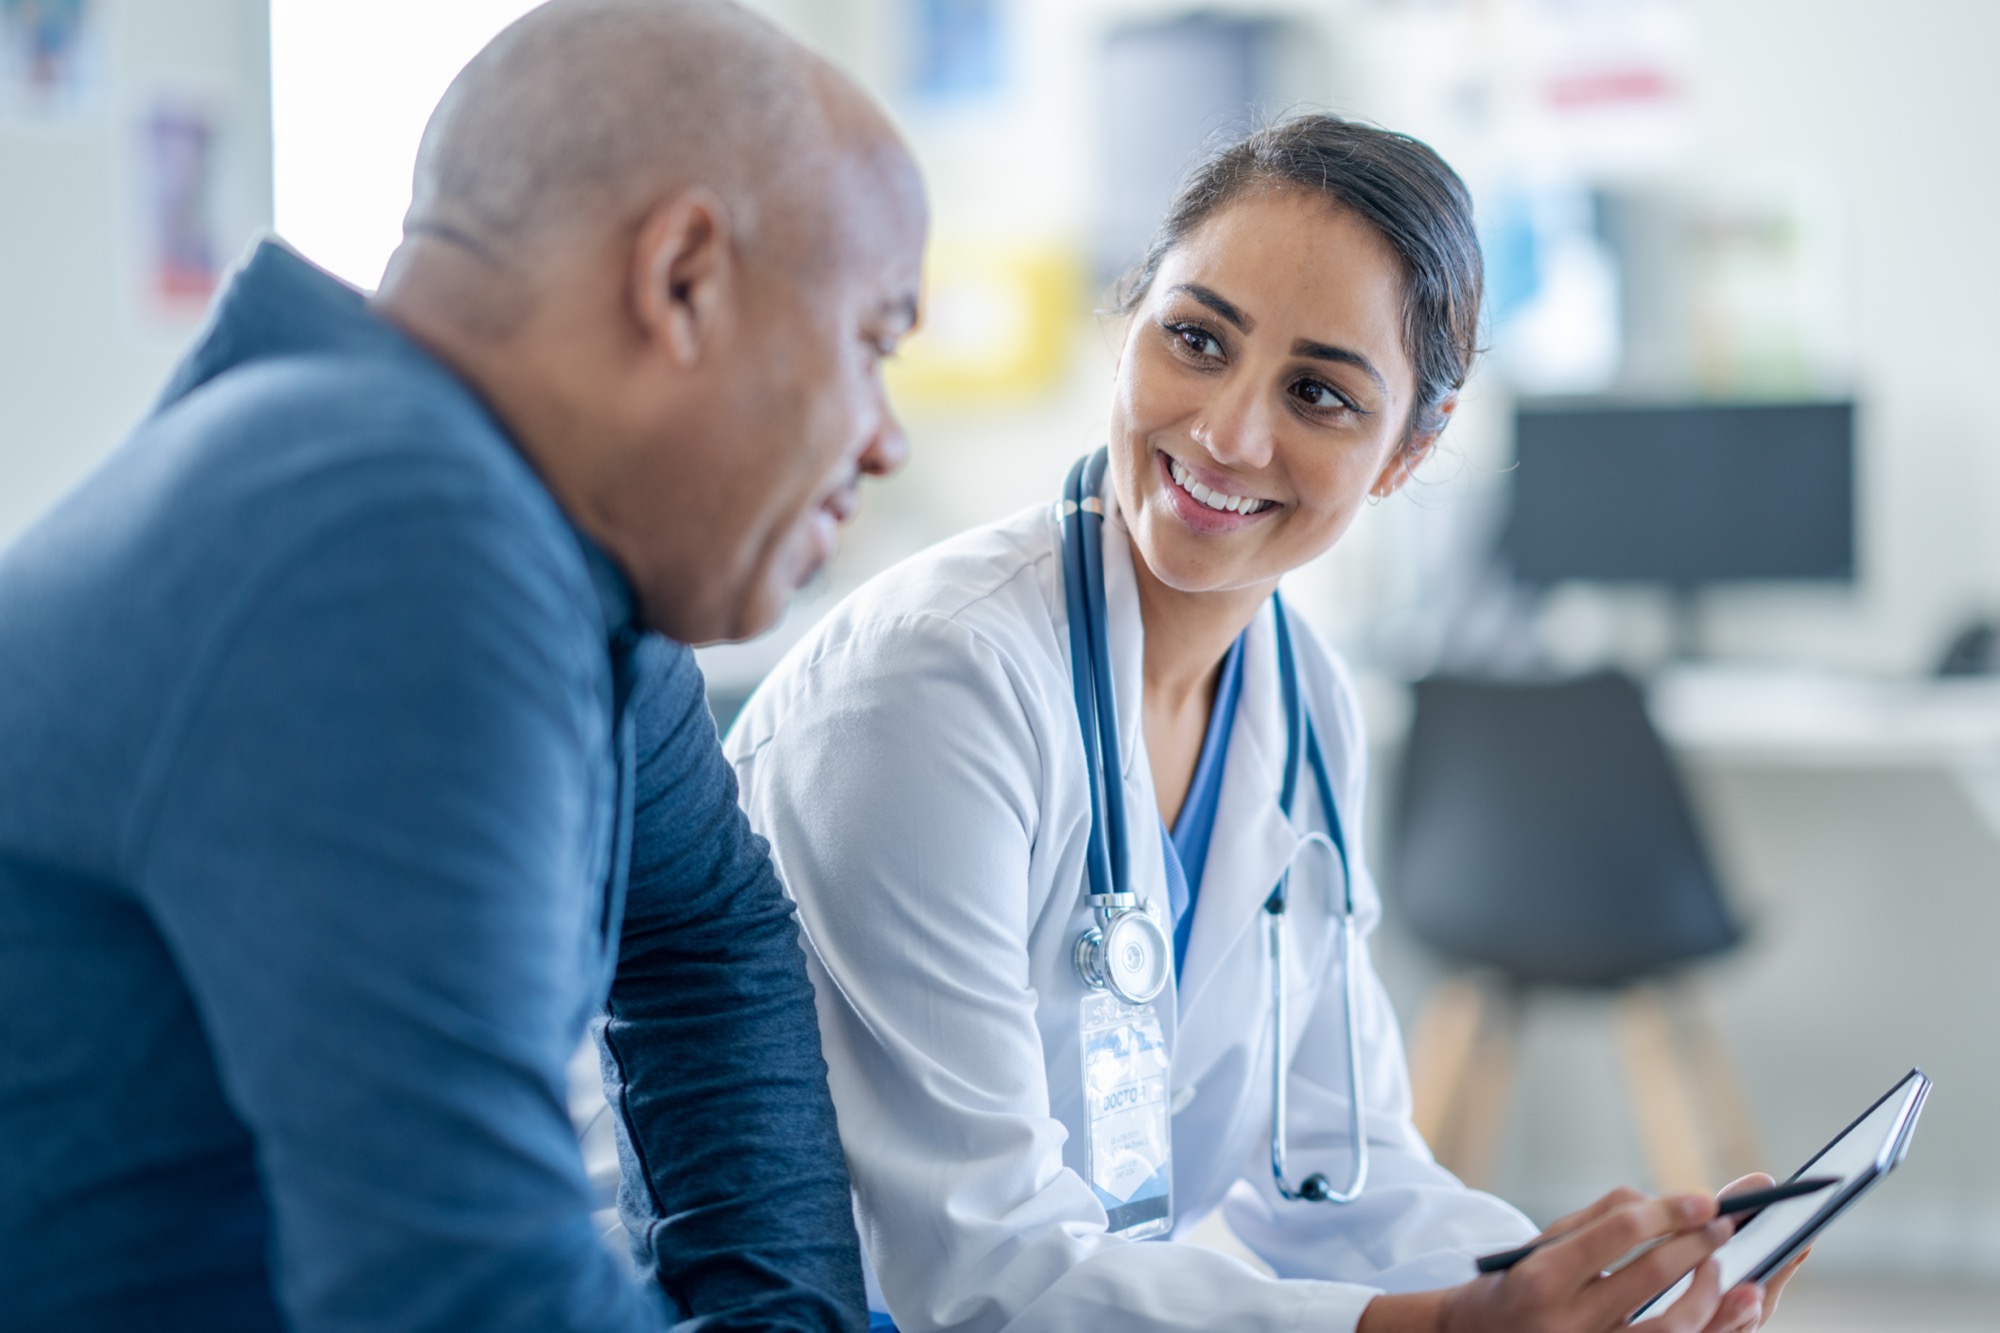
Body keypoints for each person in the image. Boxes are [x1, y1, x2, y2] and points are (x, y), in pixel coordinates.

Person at [721, 115, 1802, 1333]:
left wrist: (1566, 1287)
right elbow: (983, 1276)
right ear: (1127, 316)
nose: (1229, 433)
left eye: (1320, 394)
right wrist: (1445, 1330)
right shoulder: (932, 692)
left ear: (1409, 449)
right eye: (1194, 338)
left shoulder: (1300, 701)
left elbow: (1336, 1177)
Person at [0, 1, 923, 1329]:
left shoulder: (511, 529)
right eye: (874, 342)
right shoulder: (386, 532)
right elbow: (466, 1296)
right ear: (682, 280)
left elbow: (702, 931)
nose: (885, 439)